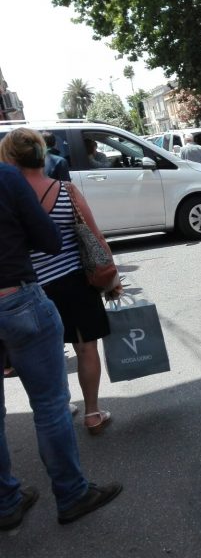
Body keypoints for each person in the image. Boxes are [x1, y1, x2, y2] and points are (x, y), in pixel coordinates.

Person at [0, 157, 122, 530]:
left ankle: (6, 502)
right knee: (51, 405)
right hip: (14, 296)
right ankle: (71, 494)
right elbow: (49, 240)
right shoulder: (6, 177)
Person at [0, 129, 122, 437]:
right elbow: (95, 237)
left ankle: (60, 405)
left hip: (31, 290)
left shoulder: (10, 196)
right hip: (75, 284)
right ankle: (93, 413)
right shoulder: (65, 190)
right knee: (85, 348)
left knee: (44, 354)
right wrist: (112, 279)